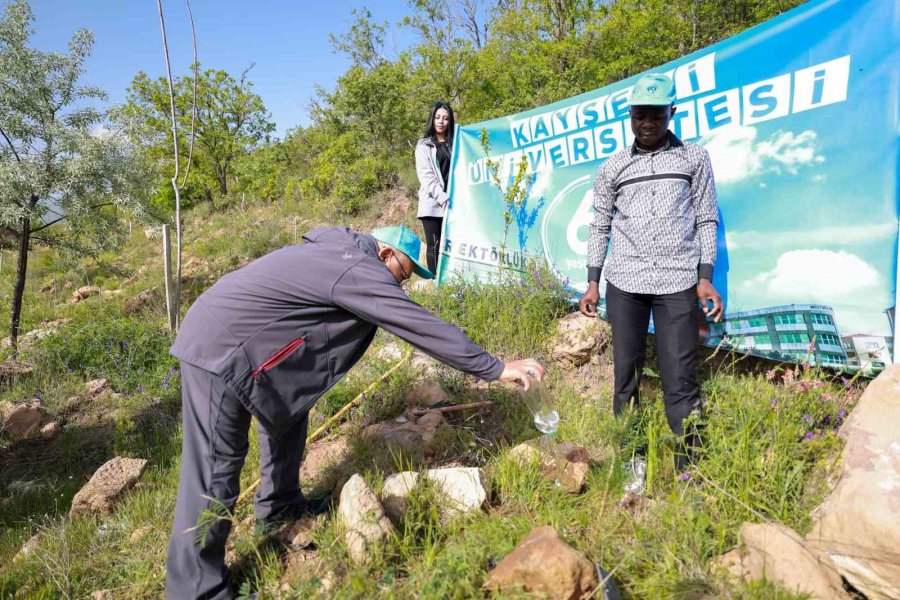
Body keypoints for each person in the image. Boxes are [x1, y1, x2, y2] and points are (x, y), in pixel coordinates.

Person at [166, 224, 545, 600]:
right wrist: (493, 367)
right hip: (219, 348)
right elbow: (415, 322)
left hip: (249, 345)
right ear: (385, 255)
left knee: (290, 411)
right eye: (403, 274)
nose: (399, 286)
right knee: (215, 470)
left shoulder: (342, 255)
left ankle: (279, 506)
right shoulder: (355, 267)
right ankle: (195, 589)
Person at [578, 73, 724, 483]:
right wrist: (592, 281)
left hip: (678, 281)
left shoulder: (694, 158)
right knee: (626, 376)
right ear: (629, 116)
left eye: (656, 115)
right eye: (639, 115)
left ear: (671, 113)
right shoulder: (613, 167)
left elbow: (706, 218)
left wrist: (705, 276)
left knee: (681, 379)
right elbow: (600, 225)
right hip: (624, 283)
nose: (647, 123)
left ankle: (689, 471)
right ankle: (632, 463)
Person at [415, 101, 455, 275]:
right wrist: (441, 197)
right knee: (435, 246)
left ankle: (451, 282)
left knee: (453, 245)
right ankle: (435, 285)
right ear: (432, 119)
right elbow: (426, 177)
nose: (441, 121)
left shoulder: (456, 143)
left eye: (445, 118)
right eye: (438, 117)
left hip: (453, 203)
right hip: (433, 204)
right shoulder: (423, 146)